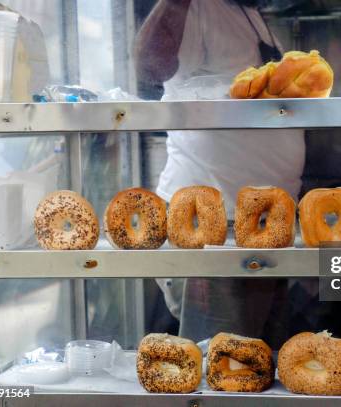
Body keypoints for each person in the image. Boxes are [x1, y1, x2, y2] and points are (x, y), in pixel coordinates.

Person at [135, 0, 305, 348]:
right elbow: (150, 68)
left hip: (263, 226)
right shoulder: (199, 8)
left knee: (257, 366)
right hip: (212, 228)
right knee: (222, 367)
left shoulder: (251, 13)